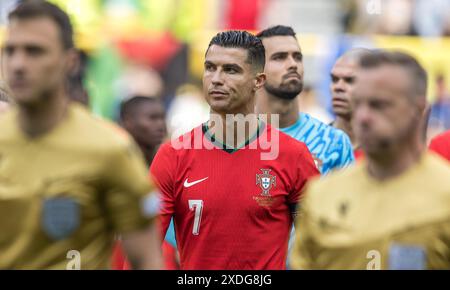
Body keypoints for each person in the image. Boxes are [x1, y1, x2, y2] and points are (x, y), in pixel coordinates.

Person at [0, 1, 162, 269]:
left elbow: (147, 260)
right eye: (10, 51)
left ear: (70, 61)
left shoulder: (110, 149)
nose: (18, 64)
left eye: (34, 51)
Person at [151, 30, 319, 270]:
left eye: (231, 70)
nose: (216, 79)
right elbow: (143, 250)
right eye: (210, 68)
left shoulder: (294, 155)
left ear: (258, 81)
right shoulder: (172, 156)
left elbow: (318, 250)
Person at [291, 51, 450, 270]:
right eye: (359, 103)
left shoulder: (444, 194)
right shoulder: (320, 195)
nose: (363, 116)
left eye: (379, 105)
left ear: (419, 109)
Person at [256, 25, 354, 174]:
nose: (293, 64)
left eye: (297, 57)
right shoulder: (236, 139)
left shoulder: (334, 142)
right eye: (279, 57)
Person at [330, 48, 372, 159]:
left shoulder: (391, 149)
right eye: (334, 79)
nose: (338, 87)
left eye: (350, 80)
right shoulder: (314, 142)